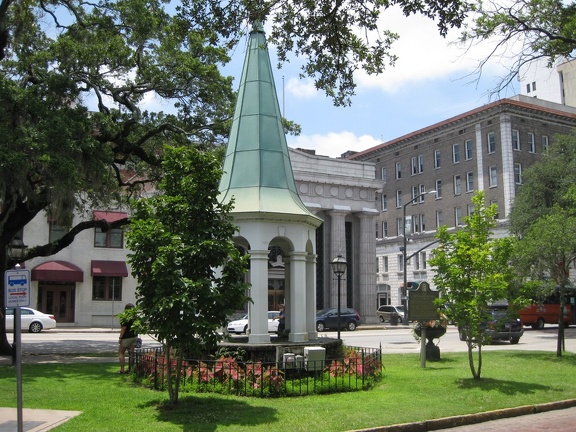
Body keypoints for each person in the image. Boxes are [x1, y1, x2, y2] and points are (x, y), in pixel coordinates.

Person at [118, 303, 138, 374]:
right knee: (131, 353)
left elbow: (123, 328)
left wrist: (120, 338)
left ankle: (122, 370)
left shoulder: (125, 317)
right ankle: (131, 369)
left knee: (121, 352)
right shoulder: (135, 317)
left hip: (126, 337)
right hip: (134, 336)